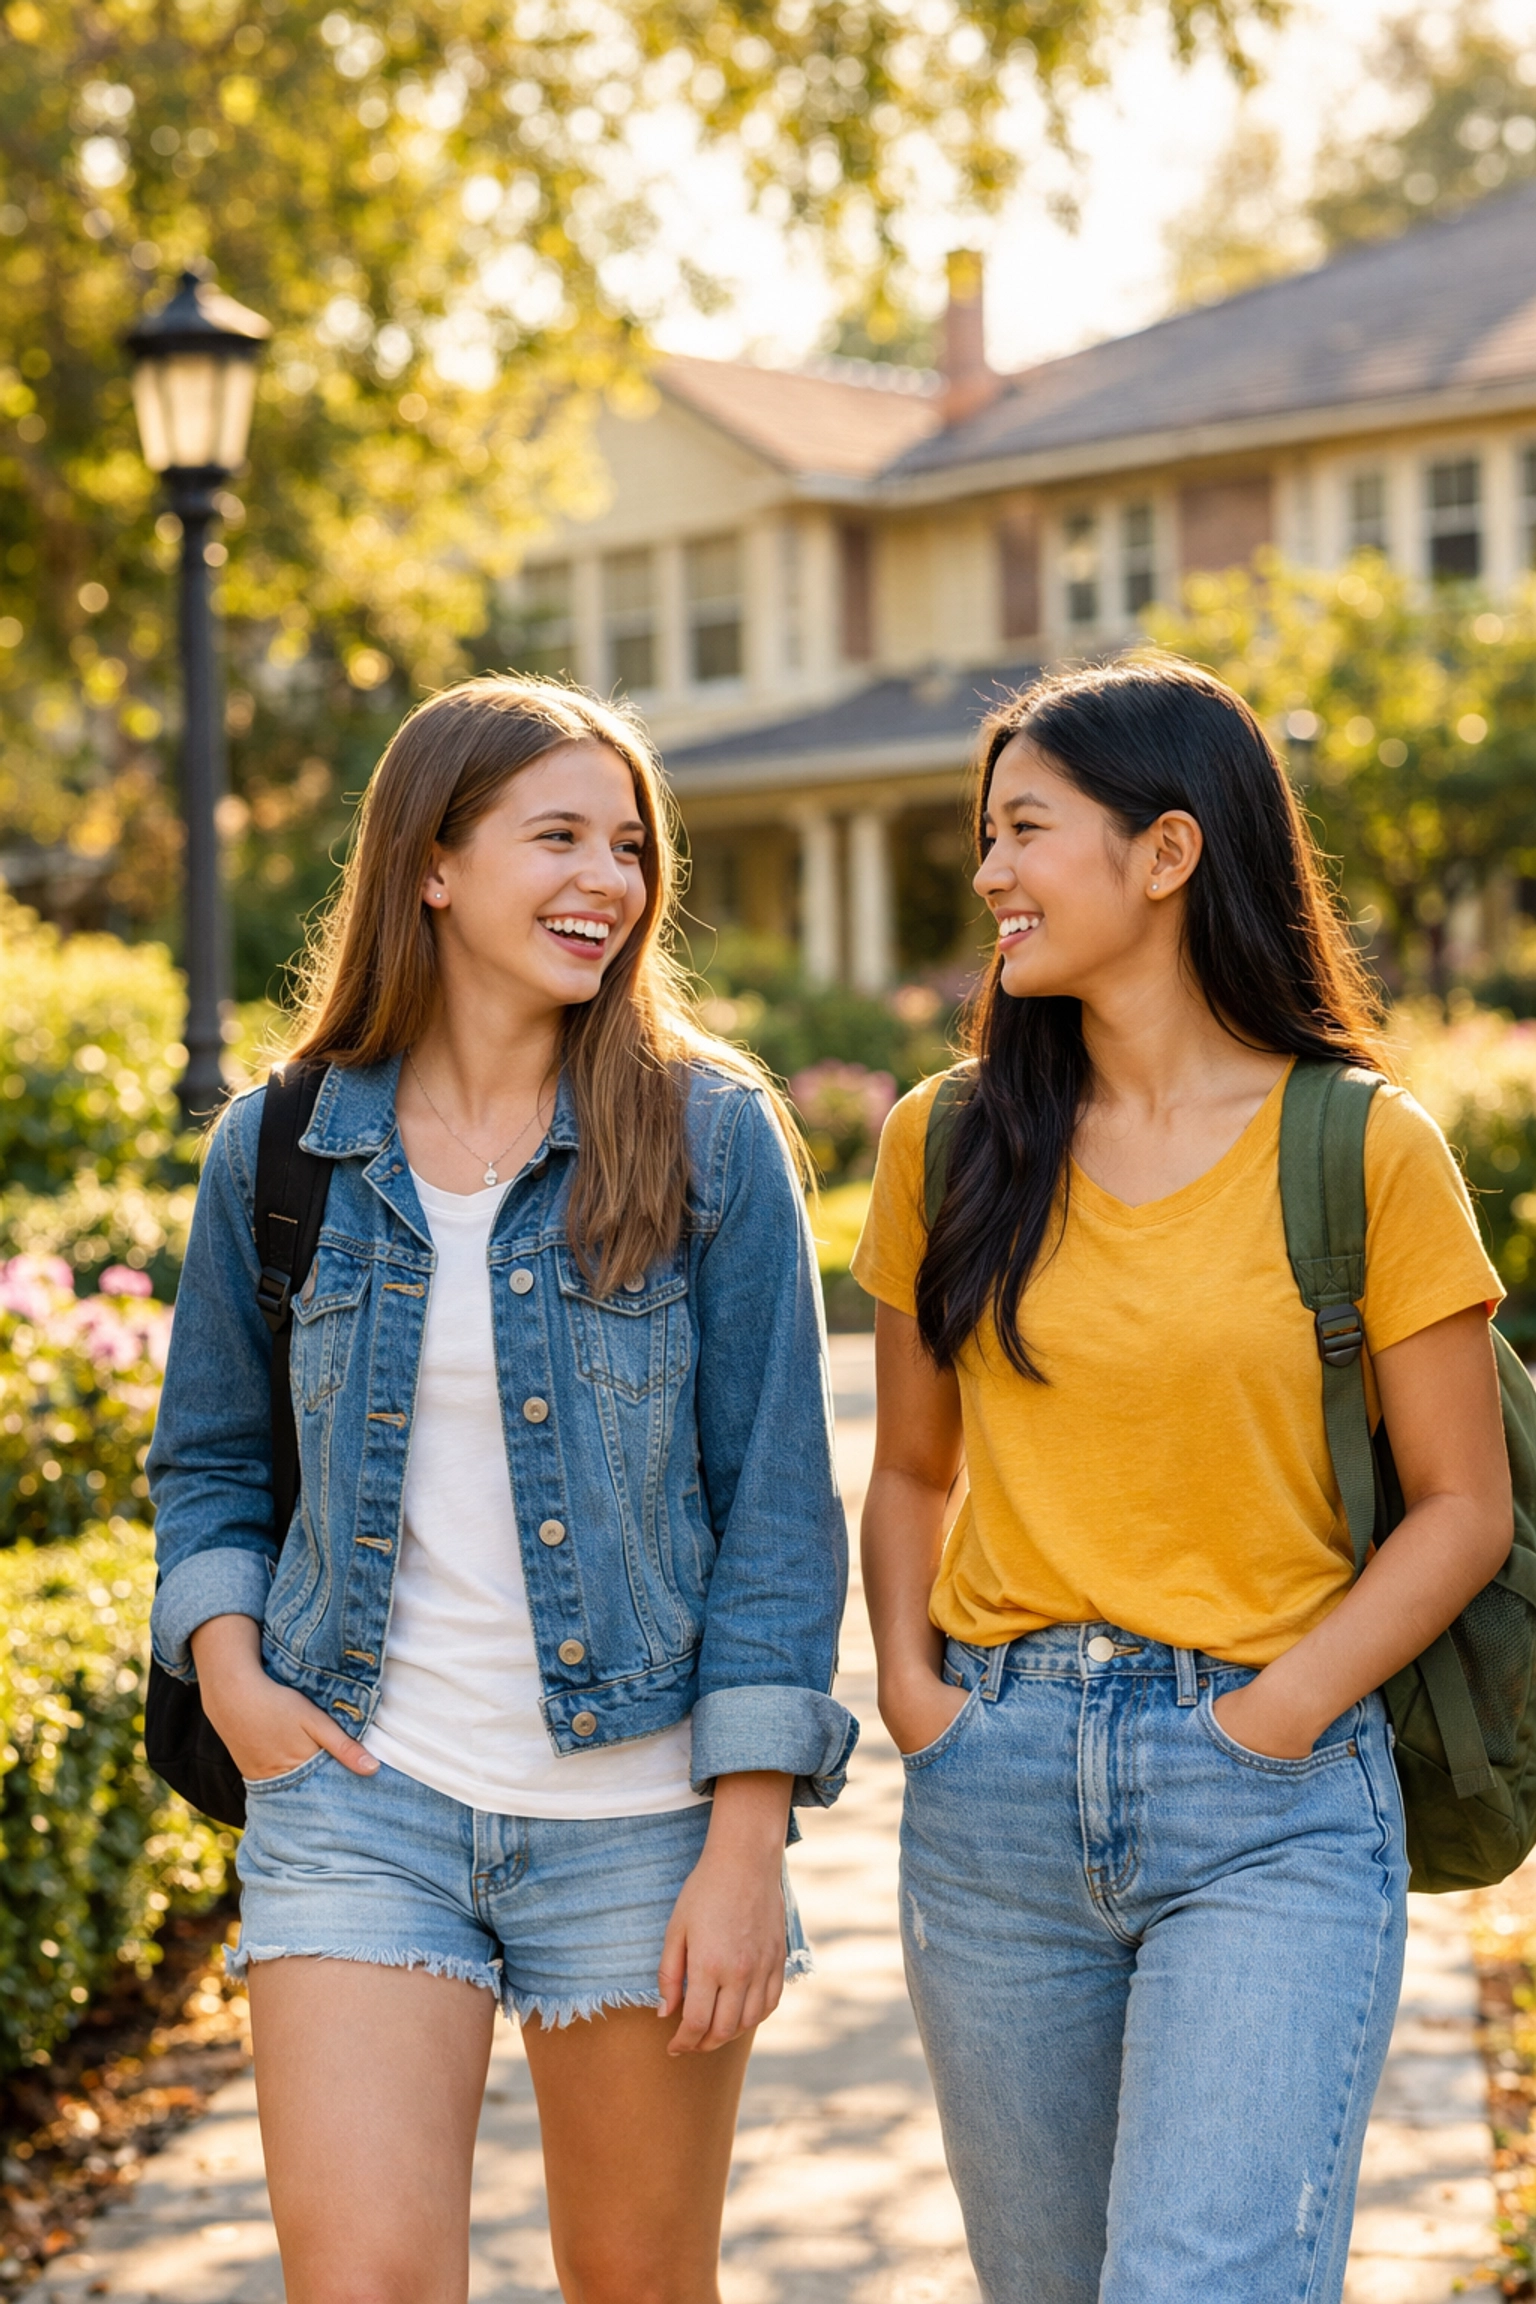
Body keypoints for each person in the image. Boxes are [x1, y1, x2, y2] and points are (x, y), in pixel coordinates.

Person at [148, 675, 855, 2304]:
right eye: (559, 838)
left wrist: (746, 1844)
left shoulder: (708, 1138)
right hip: (355, 1803)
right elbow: (212, 1463)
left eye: (628, 847)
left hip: (641, 1826)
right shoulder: (281, 1147)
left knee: (635, 2283)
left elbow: (775, 1515)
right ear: (434, 863)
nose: (606, 881)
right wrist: (233, 1673)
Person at [853, 659, 1511, 2304]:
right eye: (983, 835)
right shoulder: (946, 1142)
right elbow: (912, 1472)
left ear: (1167, 852)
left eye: (1025, 830)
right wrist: (920, 1703)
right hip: (992, 1795)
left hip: (1269, 1809)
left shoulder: (1361, 1144)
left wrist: (1274, 1718)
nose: (990, 873)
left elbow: (1463, 1506)